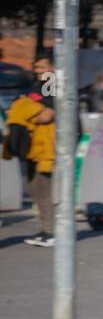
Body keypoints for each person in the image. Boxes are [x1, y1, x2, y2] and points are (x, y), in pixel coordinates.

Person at [3, 55, 57, 247]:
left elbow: (47, 114)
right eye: (36, 67)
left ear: (53, 67)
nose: (37, 70)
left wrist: (25, 112)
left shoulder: (51, 85)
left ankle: (52, 232)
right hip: (35, 145)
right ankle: (46, 230)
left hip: (46, 146)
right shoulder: (38, 85)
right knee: (35, 188)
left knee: (43, 189)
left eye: (42, 67)